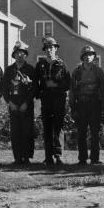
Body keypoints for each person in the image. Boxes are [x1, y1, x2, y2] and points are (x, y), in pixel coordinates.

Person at [36, 37, 72, 165]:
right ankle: (48, 156)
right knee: (47, 127)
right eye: (47, 48)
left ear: (56, 49)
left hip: (58, 100)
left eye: (51, 48)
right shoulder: (40, 65)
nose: (49, 50)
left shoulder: (62, 64)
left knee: (58, 127)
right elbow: (36, 83)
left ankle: (58, 155)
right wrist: (39, 93)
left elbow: (68, 84)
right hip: (46, 100)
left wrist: (55, 85)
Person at [4, 41, 38, 165]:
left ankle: (26, 157)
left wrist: (26, 103)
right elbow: (4, 88)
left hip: (26, 104)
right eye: (18, 53)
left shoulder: (30, 69)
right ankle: (17, 158)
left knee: (27, 131)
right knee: (15, 132)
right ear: (14, 55)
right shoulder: (9, 70)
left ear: (25, 55)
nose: (20, 55)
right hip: (13, 104)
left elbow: (34, 88)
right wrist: (9, 103)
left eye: (22, 53)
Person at [71, 45, 104, 164]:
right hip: (81, 104)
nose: (88, 57)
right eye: (85, 55)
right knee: (82, 132)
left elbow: (103, 89)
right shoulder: (77, 72)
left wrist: (103, 106)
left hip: (95, 103)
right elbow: (73, 91)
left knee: (95, 132)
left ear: (94, 57)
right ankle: (82, 158)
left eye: (90, 55)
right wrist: (73, 107)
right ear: (82, 57)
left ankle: (95, 158)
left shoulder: (98, 71)